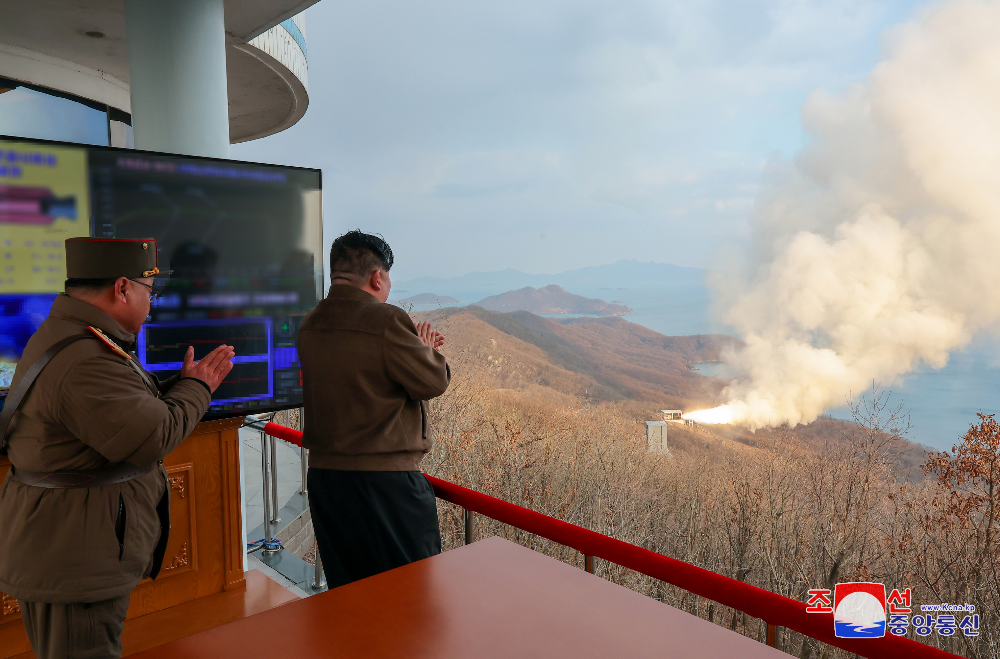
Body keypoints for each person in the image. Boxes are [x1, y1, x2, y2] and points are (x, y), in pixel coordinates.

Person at [0, 238, 236, 659]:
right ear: (122, 288)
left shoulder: (78, 337)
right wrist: (200, 387)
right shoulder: (86, 359)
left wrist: (182, 385)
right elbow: (152, 437)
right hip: (76, 561)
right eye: (150, 292)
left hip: (70, 547)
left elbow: (126, 411)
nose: (152, 304)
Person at [299, 230, 450, 588]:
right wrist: (425, 348)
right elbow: (433, 381)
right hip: (385, 485)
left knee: (350, 590)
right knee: (413, 592)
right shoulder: (384, 320)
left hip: (326, 481)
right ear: (377, 277)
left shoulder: (310, 324)